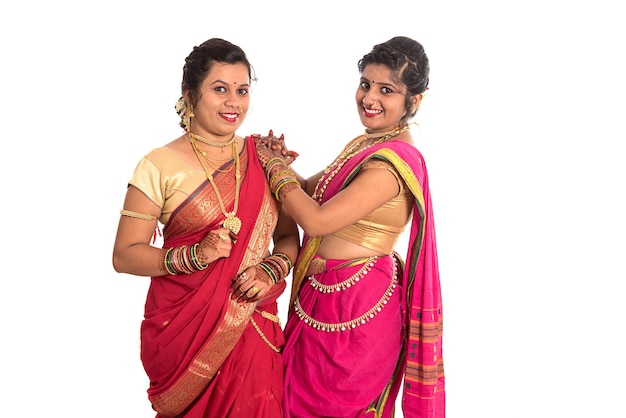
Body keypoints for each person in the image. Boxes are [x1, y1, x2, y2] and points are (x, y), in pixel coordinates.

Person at [255, 36, 445, 417]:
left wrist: (273, 169)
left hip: (360, 305)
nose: (369, 98)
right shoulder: (367, 143)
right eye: (365, 84)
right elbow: (310, 191)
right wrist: (279, 162)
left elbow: (316, 218)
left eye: (386, 90)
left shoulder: (393, 163)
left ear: (415, 100)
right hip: (321, 295)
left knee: (338, 407)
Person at [112, 38, 299, 418]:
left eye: (242, 90)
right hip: (183, 333)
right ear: (190, 95)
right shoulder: (158, 165)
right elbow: (124, 254)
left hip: (251, 324)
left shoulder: (262, 158)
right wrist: (195, 255)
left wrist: (270, 269)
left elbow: (286, 236)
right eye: (220, 89)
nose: (234, 102)